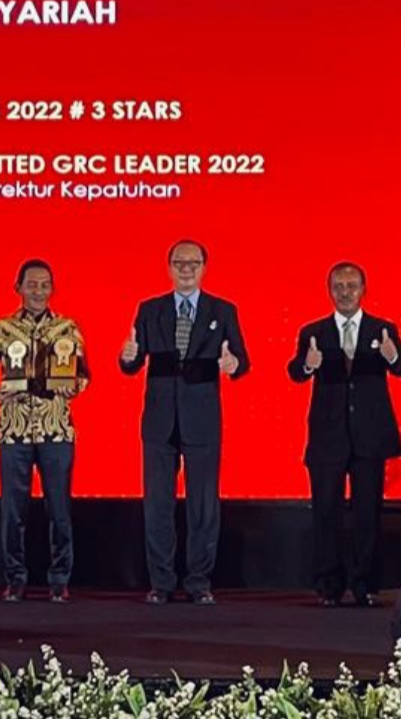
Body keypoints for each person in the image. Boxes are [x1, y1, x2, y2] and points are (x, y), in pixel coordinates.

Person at [119, 239, 249, 605]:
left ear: (204, 267)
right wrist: (128, 357)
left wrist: (233, 364)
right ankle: (161, 583)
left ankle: (198, 582)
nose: (186, 269)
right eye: (179, 263)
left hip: (202, 420)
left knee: (203, 505)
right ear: (169, 267)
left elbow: (241, 360)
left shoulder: (222, 310)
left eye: (193, 263)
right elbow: (132, 361)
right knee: (157, 505)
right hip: (159, 421)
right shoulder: (150, 309)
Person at [287, 262, 401, 607]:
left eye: (351, 286)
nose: (345, 292)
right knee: (326, 512)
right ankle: (329, 586)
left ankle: (365, 585)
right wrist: (309, 364)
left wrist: (393, 357)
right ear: (330, 291)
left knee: (367, 513)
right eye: (339, 286)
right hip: (328, 436)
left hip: (370, 436)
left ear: (363, 289)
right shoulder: (313, 332)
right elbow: (296, 371)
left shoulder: (382, 329)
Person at [0, 259, 89, 603]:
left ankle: (60, 580)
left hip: (56, 430)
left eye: (44, 285)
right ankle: (15, 579)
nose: (38, 291)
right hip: (14, 431)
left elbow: (83, 373)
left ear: (52, 289)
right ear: (18, 288)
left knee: (60, 510)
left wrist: (73, 387)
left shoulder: (67, 328)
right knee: (13, 512)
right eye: (32, 284)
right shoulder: (2, 328)